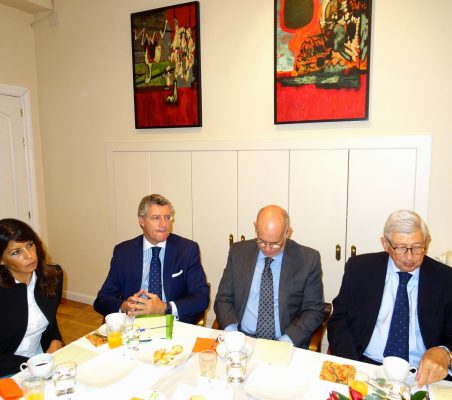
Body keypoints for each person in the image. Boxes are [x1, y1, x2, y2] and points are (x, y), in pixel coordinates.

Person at [328, 210, 452, 386]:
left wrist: (445, 352)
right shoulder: (359, 268)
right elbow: (339, 319)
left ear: (427, 242)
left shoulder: (445, 278)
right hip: (366, 365)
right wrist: (354, 366)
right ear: (385, 244)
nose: (410, 257)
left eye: (417, 247)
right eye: (401, 248)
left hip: (421, 375)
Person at [214, 205, 324, 348]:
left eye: (274, 244)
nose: (267, 248)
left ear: (287, 233)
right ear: (255, 227)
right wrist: (232, 332)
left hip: (284, 340)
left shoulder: (308, 260)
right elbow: (223, 298)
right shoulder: (238, 252)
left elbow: (314, 310)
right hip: (242, 337)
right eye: (261, 241)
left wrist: (286, 342)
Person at [94, 194, 209, 324]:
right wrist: (125, 307)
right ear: (141, 221)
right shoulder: (124, 252)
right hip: (134, 324)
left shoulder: (187, 250)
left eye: (167, 217)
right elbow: (102, 300)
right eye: (156, 218)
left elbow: (202, 297)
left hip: (174, 323)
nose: (163, 224)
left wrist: (165, 308)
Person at [0, 219, 63, 377]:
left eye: (30, 245)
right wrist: (29, 365)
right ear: (1, 259)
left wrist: (55, 340)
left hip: (41, 359)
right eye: (16, 252)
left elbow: (49, 316)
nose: (29, 255)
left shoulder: (52, 277)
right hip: (6, 370)